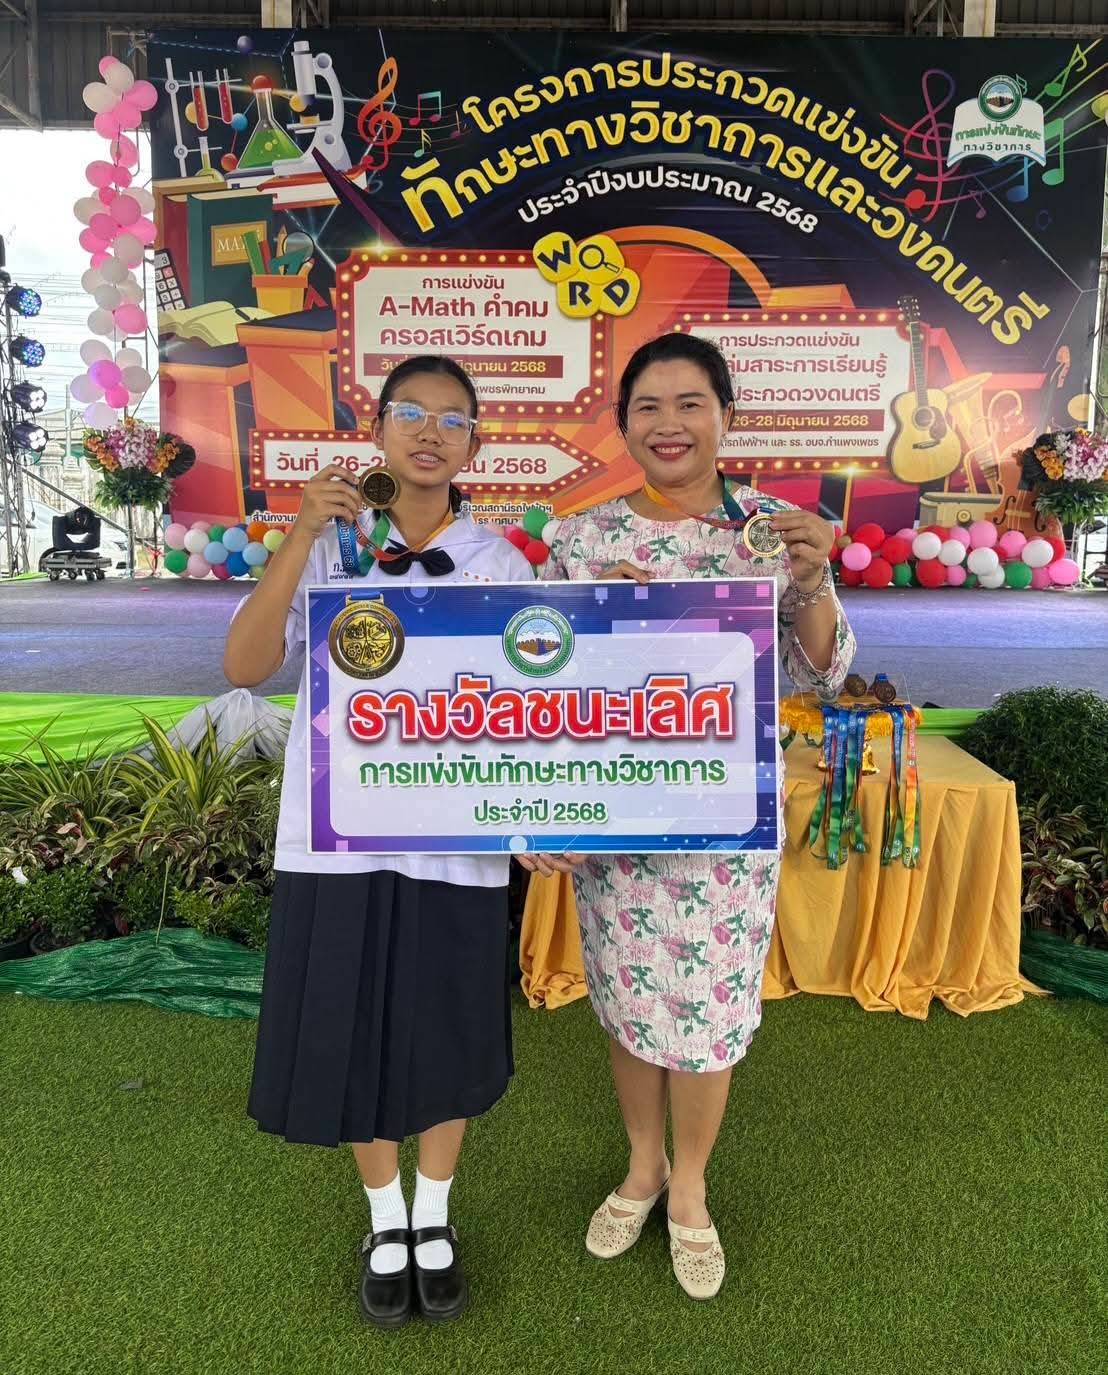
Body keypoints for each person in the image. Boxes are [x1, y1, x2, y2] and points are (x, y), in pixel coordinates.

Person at [522, 332, 856, 1300]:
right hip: (614, 822)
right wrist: (539, 808)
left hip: (722, 823)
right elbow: (540, 683)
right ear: (622, 423)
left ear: (725, 415)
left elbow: (823, 671)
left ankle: (692, 1186)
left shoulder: (770, 532)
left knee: (707, 1014)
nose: (668, 424)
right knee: (631, 1003)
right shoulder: (582, 539)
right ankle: (643, 1165)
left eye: (689, 403)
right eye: (647, 406)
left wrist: (810, 582)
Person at [224, 355, 534, 1329]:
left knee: (446, 1024)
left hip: (457, 840)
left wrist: (537, 818)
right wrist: (298, 534)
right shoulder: (330, 545)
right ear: (378, 429)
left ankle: (434, 1212)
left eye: (453, 419)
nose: (430, 432)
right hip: (339, 838)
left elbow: (532, 714)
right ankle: (384, 1217)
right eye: (411, 412)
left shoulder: (499, 565)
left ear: (474, 443)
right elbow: (244, 664)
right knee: (350, 1024)